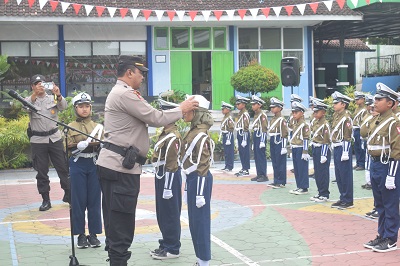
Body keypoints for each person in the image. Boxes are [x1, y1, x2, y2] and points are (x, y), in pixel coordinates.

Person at [96, 55, 198, 266]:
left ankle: (117, 258)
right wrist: (182, 108)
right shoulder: (124, 94)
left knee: (117, 221)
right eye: (140, 73)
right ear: (129, 72)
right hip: (120, 169)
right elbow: (156, 118)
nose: (142, 77)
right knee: (121, 224)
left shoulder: (125, 93)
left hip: (119, 166)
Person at [363, 83, 400, 253]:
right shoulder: (376, 120)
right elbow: (364, 134)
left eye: (379, 99)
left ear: (390, 103)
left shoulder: (394, 123)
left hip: (388, 166)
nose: (375, 102)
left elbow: (397, 151)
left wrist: (391, 175)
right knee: (380, 204)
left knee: (390, 203)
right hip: (376, 163)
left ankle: (391, 239)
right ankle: (382, 234)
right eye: (375, 99)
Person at [25, 74, 70, 211]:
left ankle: (69, 194)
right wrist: (34, 95)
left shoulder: (52, 98)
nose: (40, 85)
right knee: (42, 171)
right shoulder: (29, 100)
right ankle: (46, 200)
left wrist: (58, 94)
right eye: (37, 83)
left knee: (63, 167)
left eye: (42, 83)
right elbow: (25, 108)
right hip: (38, 140)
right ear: (32, 86)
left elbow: (63, 107)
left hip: (54, 138)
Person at [180, 95, 214, 266]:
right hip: (193, 178)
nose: (184, 112)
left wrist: (199, 193)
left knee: (200, 222)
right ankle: (200, 258)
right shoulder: (193, 130)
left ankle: (204, 260)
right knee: (194, 221)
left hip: (200, 179)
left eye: (188, 110)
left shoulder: (199, 134)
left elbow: (202, 165)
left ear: (197, 112)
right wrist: (187, 189)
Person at [66, 92, 103, 249]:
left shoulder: (97, 127)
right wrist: (77, 145)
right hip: (77, 163)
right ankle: (80, 235)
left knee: (94, 200)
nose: (84, 109)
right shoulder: (70, 127)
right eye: (80, 106)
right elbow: (65, 146)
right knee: (78, 200)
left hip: (93, 163)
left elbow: (103, 144)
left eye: (87, 106)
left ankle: (93, 234)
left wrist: (100, 144)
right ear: (75, 108)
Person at [150, 99, 183, 260]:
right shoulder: (166, 133)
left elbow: (171, 164)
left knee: (170, 212)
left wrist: (168, 187)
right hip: (162, 174)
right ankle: (166, 243)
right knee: (163, 213)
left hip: (168, 176)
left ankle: (172, 248)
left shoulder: (172, 136)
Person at [330, 91, 354, 210]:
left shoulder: (346, 118)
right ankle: (343, 197)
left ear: (343, 104)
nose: (334, 105)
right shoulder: (336, 116)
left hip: (343, 148)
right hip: (336, 147)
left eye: (336, 103)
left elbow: (347, 136)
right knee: (339, 175)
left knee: (345, 175)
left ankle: (348, 200)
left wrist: (345, 152)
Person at [360, 94, 379, 219]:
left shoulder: (391, 121)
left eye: (374, 108)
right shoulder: (372, 120)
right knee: (376, 187)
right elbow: (363, 132)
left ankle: (380, 209)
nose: (372, 110)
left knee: (384, 189)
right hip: (373, 155)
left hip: (384, 159)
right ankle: (377, 207)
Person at [309, 100, 331, 202]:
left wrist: (323, 154)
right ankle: (320, 192)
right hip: (316, 148)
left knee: (323, 173)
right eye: (314, 112)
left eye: (317, 112)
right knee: (317, 172)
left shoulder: (325, 124)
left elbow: (326, 140)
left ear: (323, 112)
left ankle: (324, 194)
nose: (315, 114)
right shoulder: (316, 123)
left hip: (323, 150)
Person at [288, 101, 310, 195]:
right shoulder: (295, 124)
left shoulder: (304, 125)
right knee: (297, 168)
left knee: (302, 168)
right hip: (295, 148)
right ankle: (299, 186)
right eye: (293, 112)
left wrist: (305, 151)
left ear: (301, 113)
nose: (294, 114)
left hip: (301, 149)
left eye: (296, 112)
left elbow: (306, 139)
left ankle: (304, 187)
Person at [267, 97, 288, 188]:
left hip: (279, 140)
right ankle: (276, 180)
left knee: (280, 162)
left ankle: (281, 181)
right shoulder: (273, 119)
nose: (272, 109)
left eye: (274, 107)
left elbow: (284, 134)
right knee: (275, 161)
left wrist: (284, 147)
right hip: (273, 140)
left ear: (280, 108)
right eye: (271, 107)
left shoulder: (281, 120)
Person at [249, 95, 269, 182]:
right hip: (256, 137)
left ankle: (263, 175)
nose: (252, 106)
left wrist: (262, 141)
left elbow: (264, 128)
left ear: (259, 105)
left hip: (260, 137)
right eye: (252, 104)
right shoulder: (256, 115)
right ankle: (259, 174)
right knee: (257, 156)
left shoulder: (262, 115)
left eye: (254, 104)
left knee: (261, 156)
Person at [234, 95, 250, 177]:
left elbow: (246, 127)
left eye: (239, 104)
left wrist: (244, 139)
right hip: (239, 133)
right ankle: (243, 167)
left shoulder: (245, 114)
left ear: (243, 104)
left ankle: (246, 169)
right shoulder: (240, 113)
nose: (237, 105)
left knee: (245, 152)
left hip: (243, 134)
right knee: (241, 152)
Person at [352, 91, 367, 171]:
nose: (356, 101)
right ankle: (358, 162)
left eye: (358, 99)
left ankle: (362, 164)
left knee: (361, 148)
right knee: (357, 147)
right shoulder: (357, 108)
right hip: (355, 129)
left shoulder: (365, 109)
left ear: (363, 99)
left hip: (360, 129)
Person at [220, 101, 235, 172]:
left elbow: (231, 128)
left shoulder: (229, 118)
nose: (222, 110)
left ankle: (230, 166)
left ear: (228, 109)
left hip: (228, 136)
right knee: (226, 151)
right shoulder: (225, 117)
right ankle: (226, 165)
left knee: (229, 152)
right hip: (225, 135)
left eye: (223, 109)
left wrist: (228, 138)